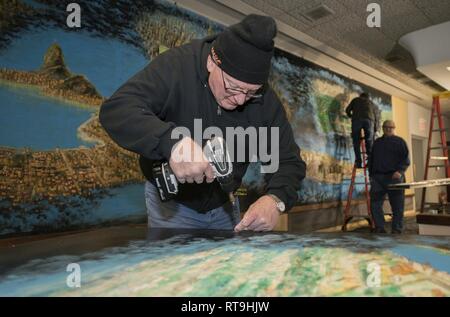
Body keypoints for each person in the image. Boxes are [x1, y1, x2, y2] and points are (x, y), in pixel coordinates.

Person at [99, 14, 306, 232]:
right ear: (211, 62)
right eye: (233, 87)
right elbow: (117, 109)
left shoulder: (265, 101)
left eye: (251, 92)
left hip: (226, 204)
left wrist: (276, 200)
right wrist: (171, 142)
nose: (240, 99)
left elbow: (289, 160)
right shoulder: (176, 66)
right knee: (175, 266)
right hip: (173, 205)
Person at [369, 120, 410, 234]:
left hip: (394, 178)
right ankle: (379, 227)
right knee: (375, 204)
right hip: (378, 178)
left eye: (391, 127)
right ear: (383, 128)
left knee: (397, 205)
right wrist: (371, 175)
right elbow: (371, 159)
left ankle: (397, 229)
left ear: (394, 128)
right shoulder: (377, 143)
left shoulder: (400, 142)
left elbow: (406, 159)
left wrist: (400, 171)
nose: (388, 129)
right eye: (386, 127)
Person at [345, 92, 377, 168]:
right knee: (369, 141)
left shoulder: (355, 100)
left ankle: (358, 162)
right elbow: (376, 117)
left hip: (357, 120)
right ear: (368, 97)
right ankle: (370, 162)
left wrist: (352, 116)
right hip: (369, 121)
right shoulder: (371, 103)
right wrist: (375, 129)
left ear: (360, 96)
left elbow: (347, 110)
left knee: (356, 141)